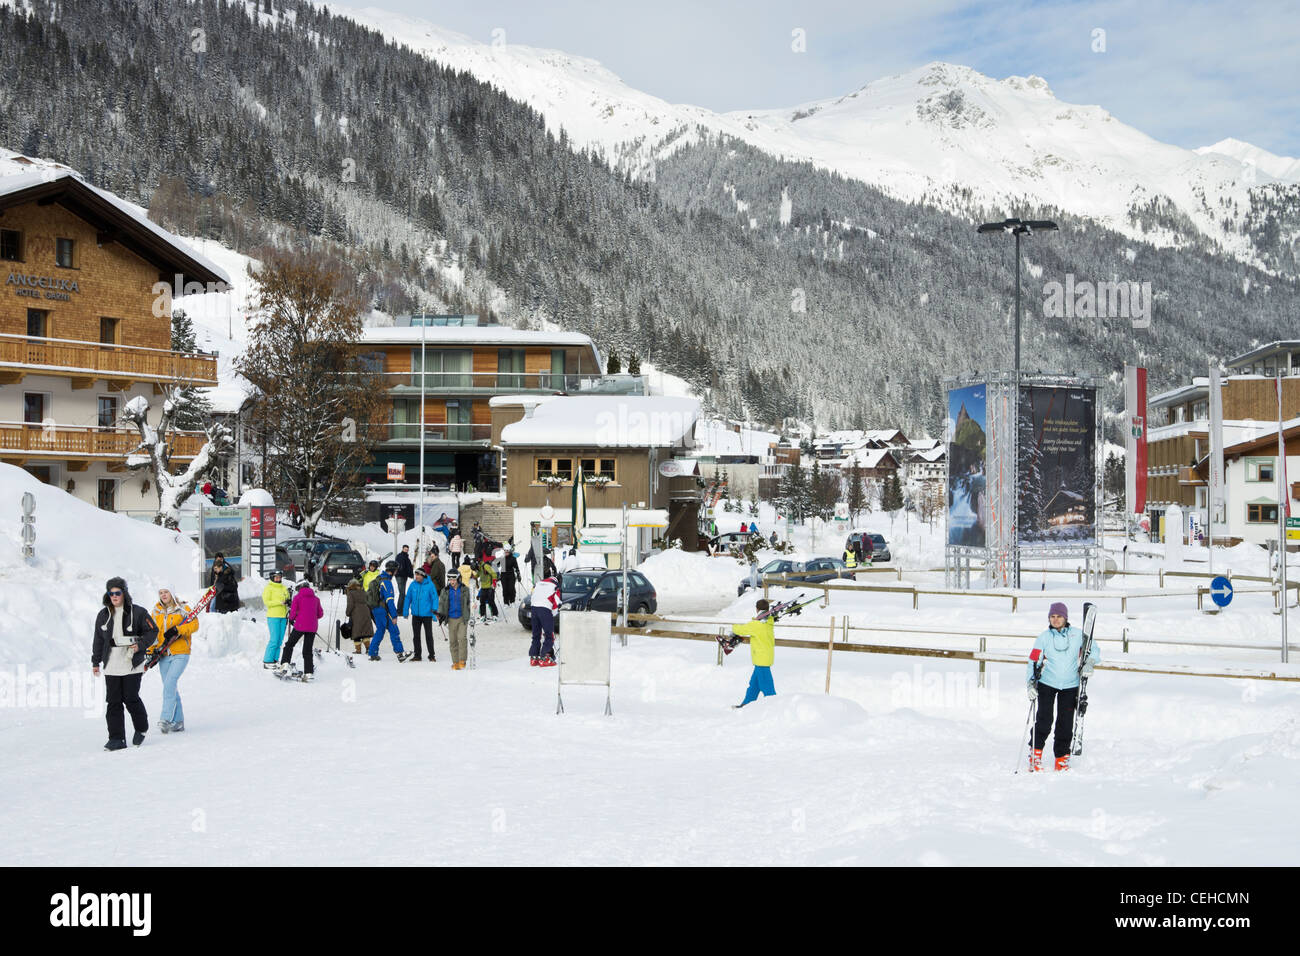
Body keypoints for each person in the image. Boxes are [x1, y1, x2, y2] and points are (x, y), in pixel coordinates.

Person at [1026, 602, 1099, 772]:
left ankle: (1061, 757)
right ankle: (1035, 754)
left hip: (1070, 684)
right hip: (1047, 683)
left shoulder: (1077, 635)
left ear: (1065, 618)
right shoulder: (1043, 637)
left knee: (1065, 723)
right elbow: (1033, 660)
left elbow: (1093, 649)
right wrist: (1030, 683)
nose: (1056, 619)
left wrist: (1090, 662)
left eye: (1059, 616)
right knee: (1045, 719)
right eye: (1052, 616)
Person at [91, 577, 158, 750]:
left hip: (131, 664)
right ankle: (116, 738)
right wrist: (95, 661)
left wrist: (140, 645)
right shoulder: (103, 614)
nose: (114, 596)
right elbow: (98, 640)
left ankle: (141, 727)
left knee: (130, 698)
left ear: (124, 593)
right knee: (113, 702)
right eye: (111, 593)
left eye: (117, 592)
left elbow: (153, 631)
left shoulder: (138, 612)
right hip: (112, 665)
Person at [150, 587, 197, 733]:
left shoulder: (183, 608)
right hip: (164, 654)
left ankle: (166, 719)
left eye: (166, 592)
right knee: (169, 687)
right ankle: (178, 721)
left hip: (181, 652)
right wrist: (151, 651)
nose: (163, 595)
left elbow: (195, 625)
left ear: (172, 593)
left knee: (170, 683)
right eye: (161, 593)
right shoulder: (156, 612)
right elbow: (152, 634)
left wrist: (178, 629)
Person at [731, 599, 777, 708]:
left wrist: (733, 626)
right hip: (764, 657)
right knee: (754, 685)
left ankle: (774, 707)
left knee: (767, 687)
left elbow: (741, 630)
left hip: (761, 660)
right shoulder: (769, 621)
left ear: (757, 609)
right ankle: (747, 704)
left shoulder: (756, 625)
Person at [367, 560, 410, 662]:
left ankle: (372, 653)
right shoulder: (387, 582)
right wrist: (394, 615)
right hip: (383, 610)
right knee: (393, 630)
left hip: (375, 609)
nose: (396, 572)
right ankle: (400, 654)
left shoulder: (380, 578)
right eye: (396, 570)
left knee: (381, 630)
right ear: (393, 570)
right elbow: (389, 600)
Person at [281, 581, 324, 681]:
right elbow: (320, 614)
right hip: (312, 627)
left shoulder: (297, 598)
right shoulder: (316, 599)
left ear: (299, 588)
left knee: (290, 644)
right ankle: (308, 672)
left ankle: (285, 664)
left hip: (300, 625)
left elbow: (292, 612)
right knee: (307, 650)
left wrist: (292, 619)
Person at [404, 567, 438, 661]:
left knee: (429, 636)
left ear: (423, 575)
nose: (416, 576)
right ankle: (417, 655)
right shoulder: (413, 585)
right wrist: (405, 611)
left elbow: (435, 599)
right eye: (416, 574)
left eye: (418, 575)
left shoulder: (430, 585)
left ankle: (431, 655)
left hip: (427, 614)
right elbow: (408, 598)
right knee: (416, 636)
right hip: (416, 615)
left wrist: (434, 612)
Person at [439, 575, 470, 669]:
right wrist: (441, 614)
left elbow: (469, 602)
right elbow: (442, 604)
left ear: (458, 579)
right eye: (450, 579)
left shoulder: (464, 589)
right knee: (453, 641)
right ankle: (455, 662)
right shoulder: (445, 591)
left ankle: (462, 660)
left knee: (462, 638)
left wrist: (471, 608)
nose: (452, 581)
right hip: (451, 618)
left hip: (462, 617)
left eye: (454, 579)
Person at [529, 574, 561, 667]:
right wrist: (553, 614)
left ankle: (534, 657)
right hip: (545, 608)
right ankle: (545, 657)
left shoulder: (539, 583)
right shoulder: (555, 586)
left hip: (534, 607)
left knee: (536, 634)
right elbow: (556, 602)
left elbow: (532, 594)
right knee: (549, 634)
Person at [262, 570, 290, 668]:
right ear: (272, 577)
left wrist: (288, 600)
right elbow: (267, 602)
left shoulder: (284, 588)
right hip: (273, 616)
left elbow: (288, 599)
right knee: (274, 639)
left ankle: (275, 659)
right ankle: (267, 660)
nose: (278, 579)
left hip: (283, 616)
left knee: (280, 640)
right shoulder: (269, 588)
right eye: (276, 577)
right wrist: (279, 602)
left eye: (280, 577)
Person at [344, 576, 374, 655]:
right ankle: (368, 649)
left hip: (356, 613)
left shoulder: (350, 592)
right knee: (365, 631)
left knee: (356, 632)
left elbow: (350, 604)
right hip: (366, 611)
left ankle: (358, 650)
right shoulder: (363, 591)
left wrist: (347, 612)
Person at [394, 544, 414, 614]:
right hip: (400, 576)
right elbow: (401, 567)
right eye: (405, 549)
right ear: (402, 549)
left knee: (402, 593)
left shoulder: (406, 557)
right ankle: (399, 610)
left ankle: (401, 609)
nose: (406, 550)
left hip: (403, 577)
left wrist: (410, 574)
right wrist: (407, 573)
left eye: (407, 550)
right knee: (402, 593)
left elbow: (408, 567)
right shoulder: (400, 556)